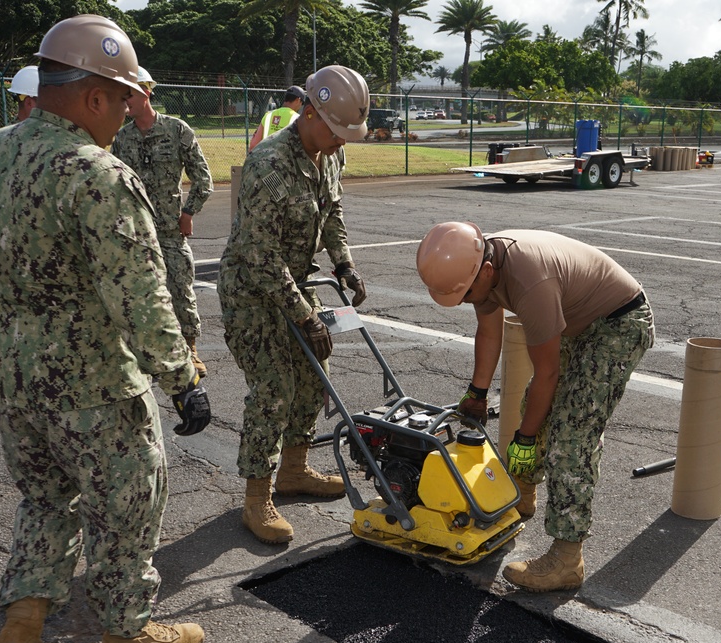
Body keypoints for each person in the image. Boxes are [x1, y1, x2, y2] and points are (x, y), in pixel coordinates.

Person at [0, 15, 212, 643]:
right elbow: (140, 296)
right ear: (95, 97)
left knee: (45, 497)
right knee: (129, 502)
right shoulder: (96, 173)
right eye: (125, 99)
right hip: (92, 387)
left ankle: (24, 624)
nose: (130, 114)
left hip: (13, 381)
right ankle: (127, 631)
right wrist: (183, 378)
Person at [416, 222, 655, 593]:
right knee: (534, 407)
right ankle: (522, 495)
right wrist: (476, 393)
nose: (464, 300)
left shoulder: (530, 283)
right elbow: (489, 332)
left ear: (488, 271)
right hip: (579, 321)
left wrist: (525, 439)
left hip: (618, 323)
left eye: (465, 294)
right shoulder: (479, 265)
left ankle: (566, 559)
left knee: (571, 433)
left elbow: (547, 373)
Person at [218, 65, 369, 545]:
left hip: (295, 281)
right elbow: (258, 255)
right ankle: (256, 496)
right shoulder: (269, 165)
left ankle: (295, 469)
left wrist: (343, 263)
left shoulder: (329, 156)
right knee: (273, 387)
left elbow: (333, 212)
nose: (342, 142)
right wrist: (304, 315)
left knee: (312, 372)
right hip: (252, 290)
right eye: (336, 130)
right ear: (309, 111)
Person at [111, 66, 214, 377]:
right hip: (134, 231)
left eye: (129, 93)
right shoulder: (122, 138)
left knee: (180, 289)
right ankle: (142, 355)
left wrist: (188, 212)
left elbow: (203, 179)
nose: (125, 100)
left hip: (169, 230)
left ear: (146, 92)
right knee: (135, 293)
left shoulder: (176, 129)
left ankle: (190, 349)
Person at [248, 84, 305, 152]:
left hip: (265, 160)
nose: (301, 106)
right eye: (302, 103)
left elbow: (253, 145)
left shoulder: (268, 115)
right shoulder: (298, 119)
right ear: (298, 100)